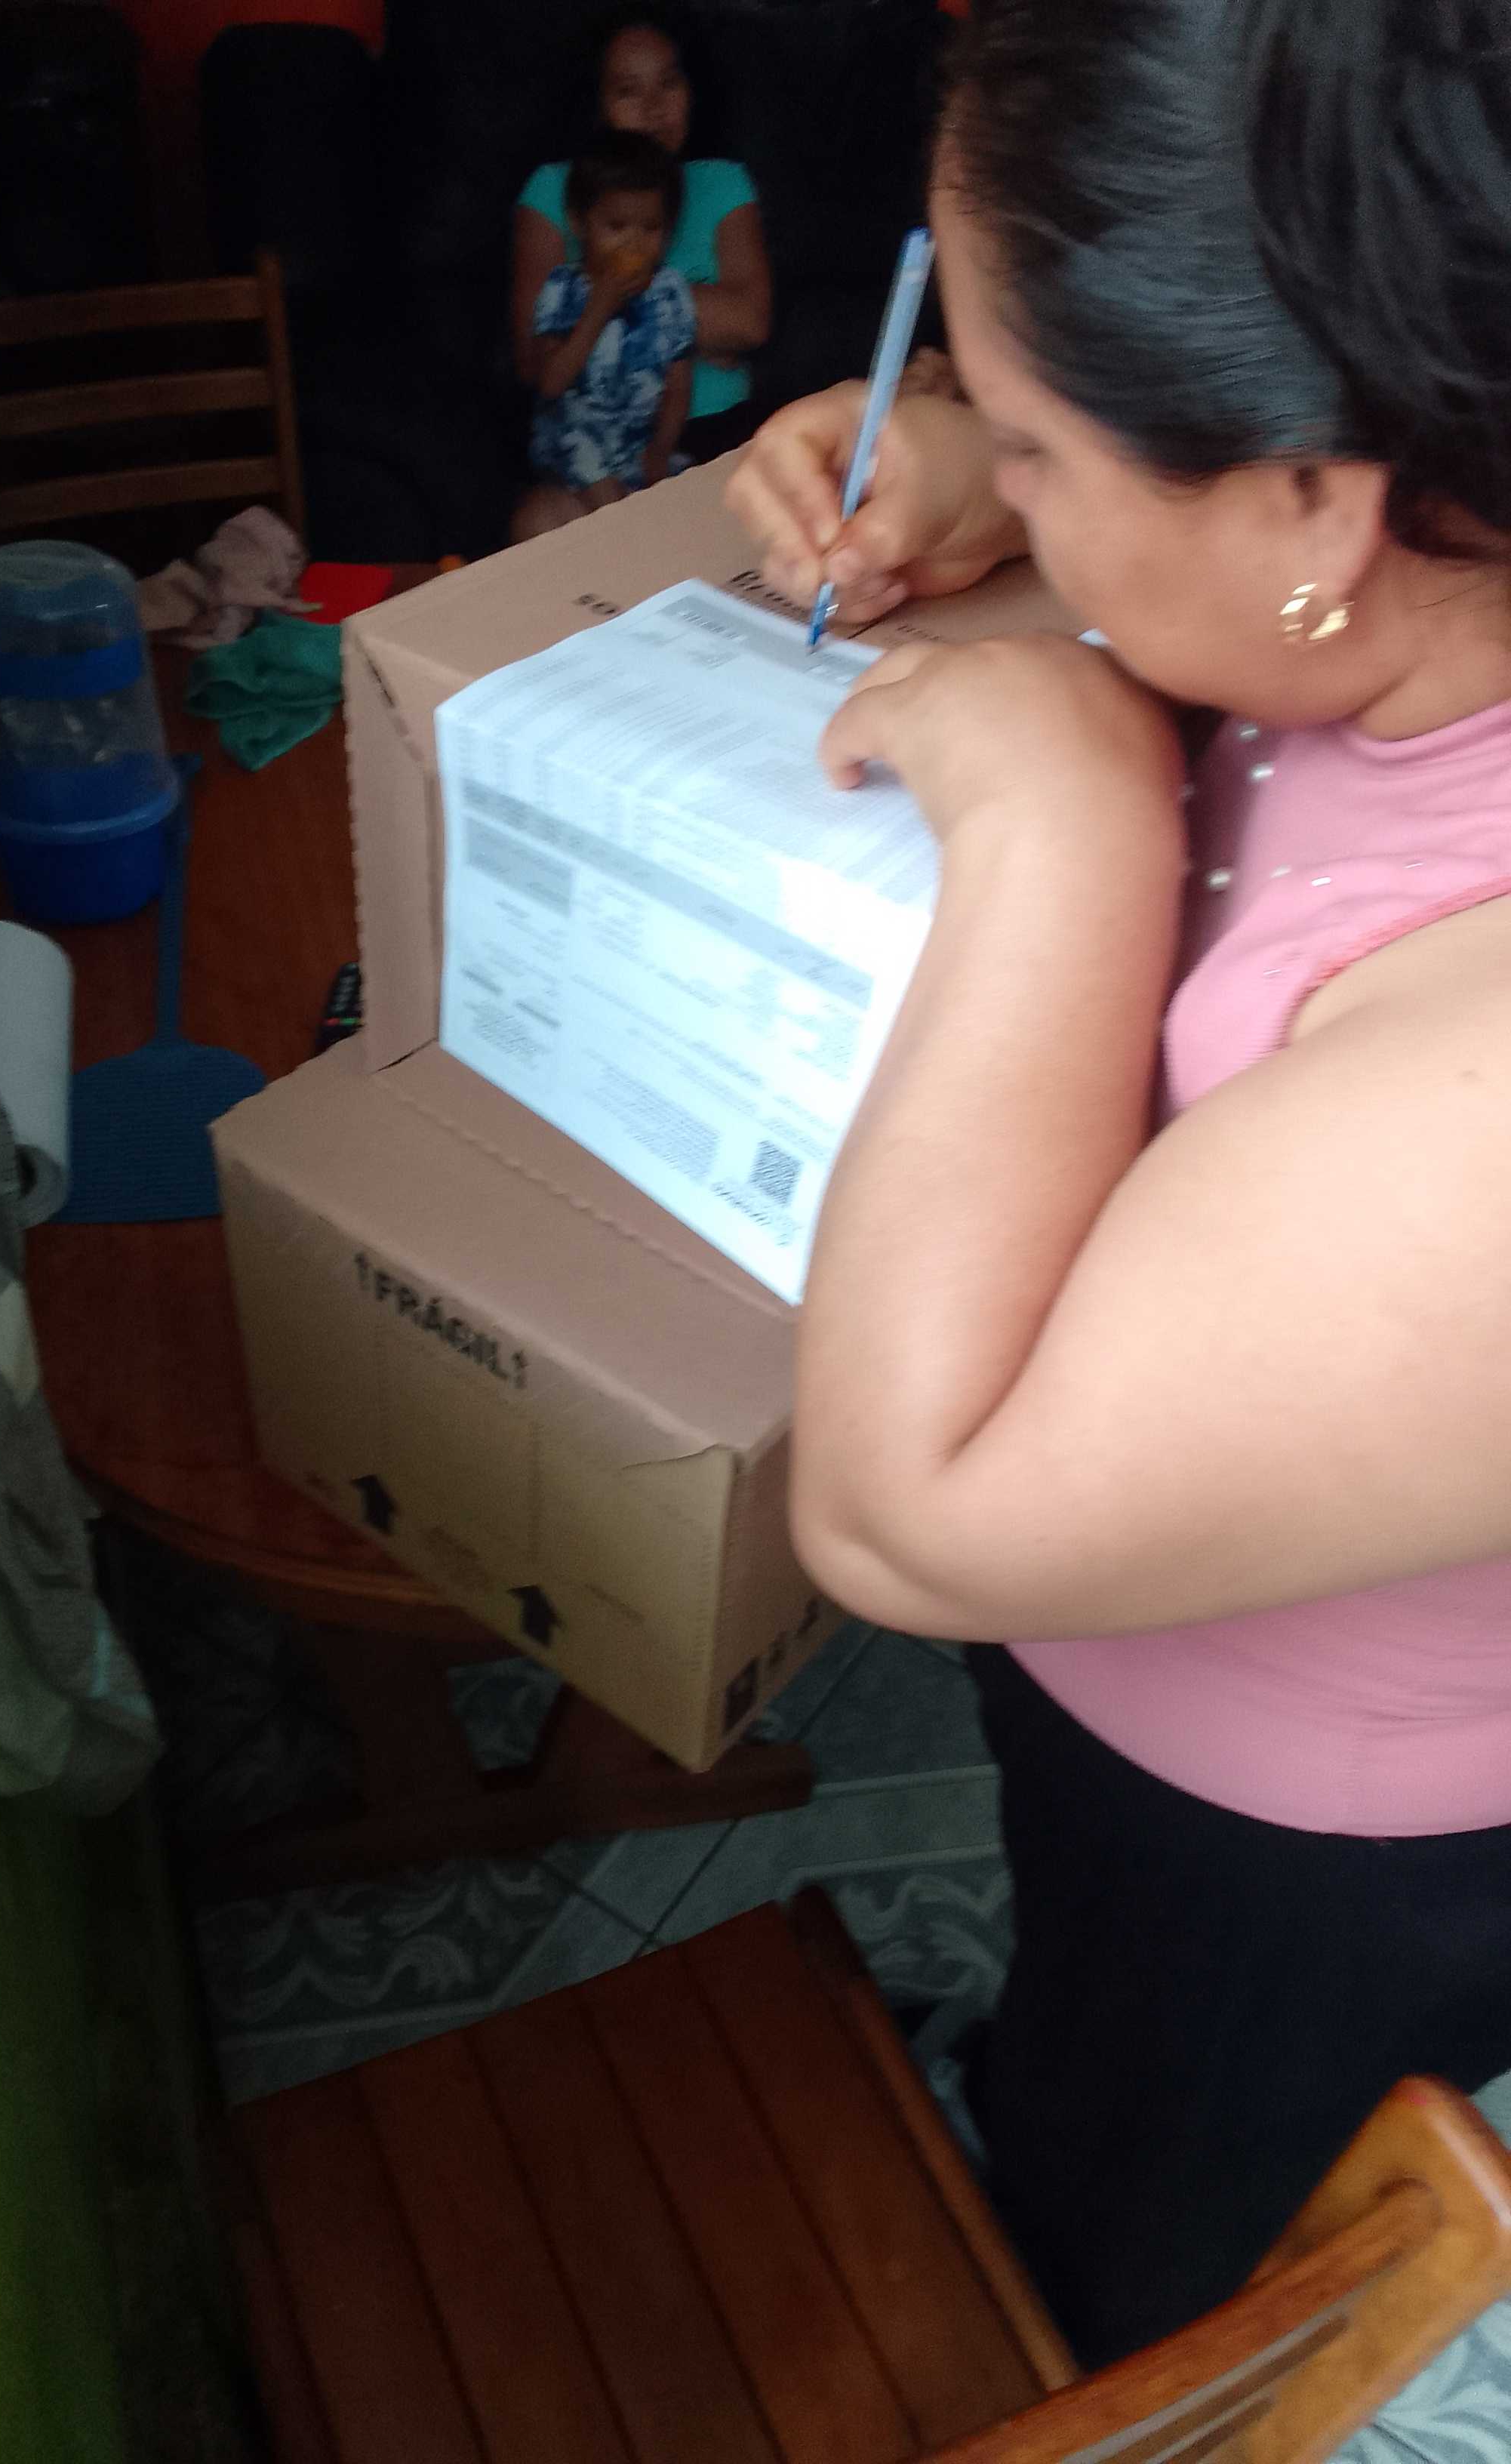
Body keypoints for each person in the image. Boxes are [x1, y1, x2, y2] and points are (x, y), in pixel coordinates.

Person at [726, 0, 1511, 2373]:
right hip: (1132, 1667)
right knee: (1075, 1962)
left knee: (1160, 2211)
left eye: (1048, 436)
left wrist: (1066, 800)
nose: (1012, 475)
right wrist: (990, 473)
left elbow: (911, 1519)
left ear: (1317, 496)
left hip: (1312, 1846)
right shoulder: (1417, 539)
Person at [510, 7, 771, 467]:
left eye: (669, 83)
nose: (654, 108)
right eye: (628, 91)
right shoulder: (552, 190)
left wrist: (607, 298)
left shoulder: (723, 182)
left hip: (716, 425)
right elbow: (535, 362)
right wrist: (692, 327)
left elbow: (750, 323)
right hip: (593, 438)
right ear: (598, 105)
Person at [517, 132, 695, 536]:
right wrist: (598, 309)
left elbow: (678, 388)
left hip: (637, 446)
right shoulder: (564, 289)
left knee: (691, 489)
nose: (634, 243)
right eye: (616, 226)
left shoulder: (670, 292)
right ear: (580, 223)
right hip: (572, 443)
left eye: (651, 228)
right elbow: (550, 383)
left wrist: (661, 450)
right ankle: (631, 538)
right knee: (590, 492)